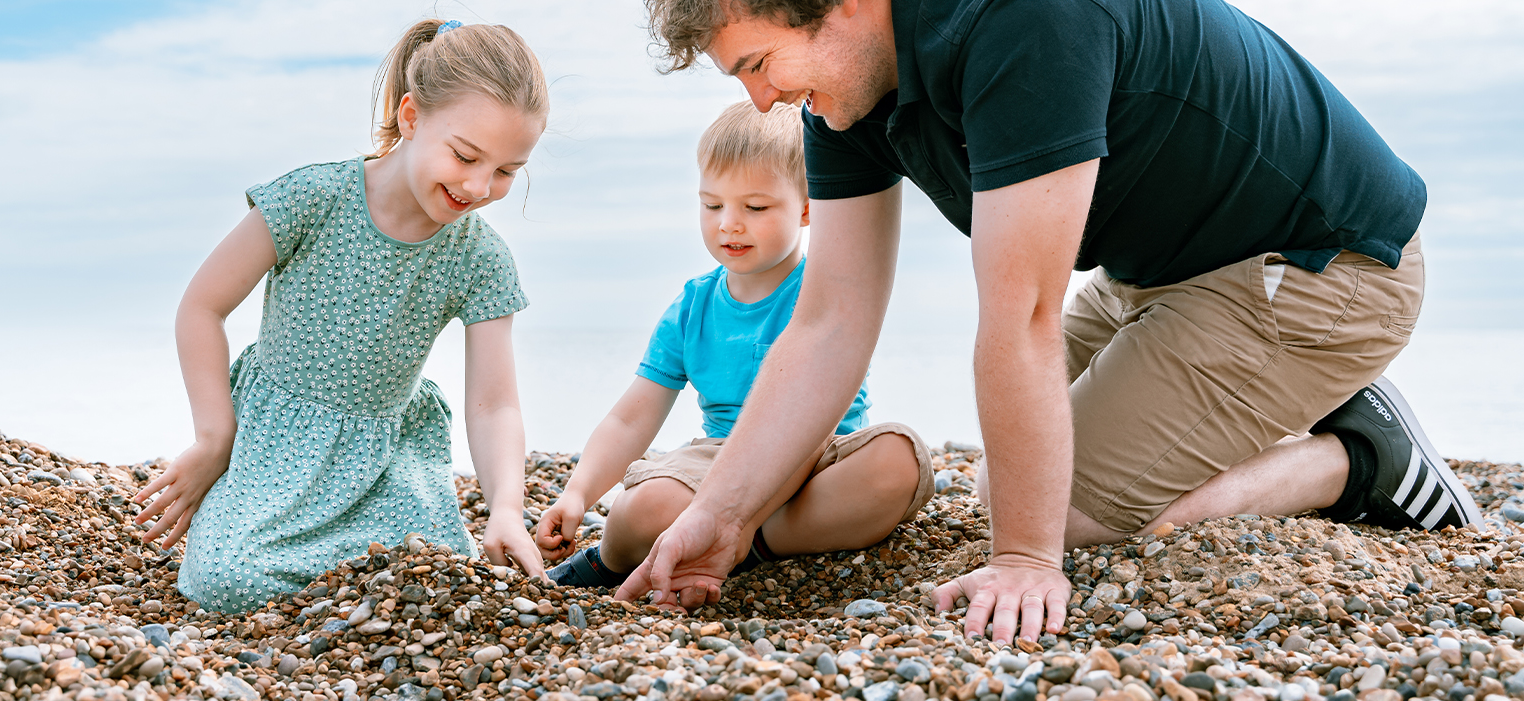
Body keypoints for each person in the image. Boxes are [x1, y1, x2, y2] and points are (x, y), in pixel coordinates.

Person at [619, 0, 1482, 644]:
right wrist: (725, 515)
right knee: (1019, 466)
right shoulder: (850, 87)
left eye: (761, 62)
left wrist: (1030, 561)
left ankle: (1363, 456)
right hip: (1156, 275)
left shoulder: (1020, 24)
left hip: (1324, 268)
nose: (763, 99)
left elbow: (1023, 315)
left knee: (1055, 512)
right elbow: (828, 320)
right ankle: (1273, 400)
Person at [130, 19, 551, 613]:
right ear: (411, 116)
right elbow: (202, 307)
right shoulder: (315, 198)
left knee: (432, 584)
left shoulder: (479, 258)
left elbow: (495, 403)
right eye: (466, 156)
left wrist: (506, 505)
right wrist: (214, 438)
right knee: (224, 579)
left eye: (508, 171)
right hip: (276, 446)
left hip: (385, 459)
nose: (480, 186)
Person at [535, 100, 935, 588]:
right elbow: (632, 416)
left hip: (822, 454)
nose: (729, 222)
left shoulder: (827, 292)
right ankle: (612, 561)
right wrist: (578, 493)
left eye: (756, 207)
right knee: (642, 508)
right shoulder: (694, 306)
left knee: (900, 460)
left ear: (807, 207)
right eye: (712, 204)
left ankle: (745, 541)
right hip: (722, 460)